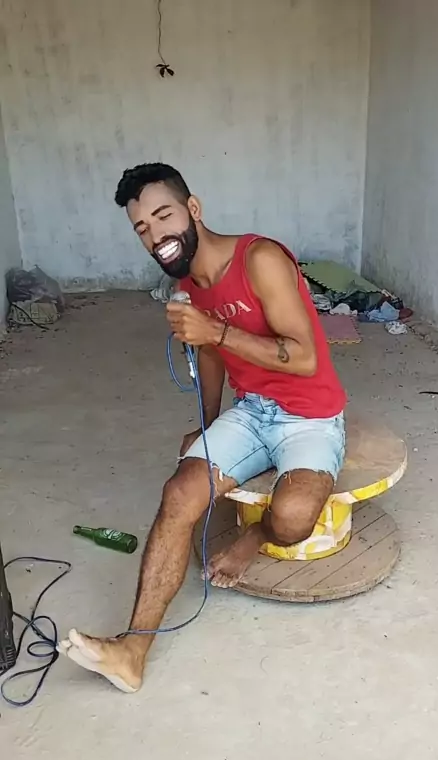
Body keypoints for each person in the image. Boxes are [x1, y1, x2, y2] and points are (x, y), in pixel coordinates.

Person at [58, 163, 347, 692]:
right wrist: (210, 427)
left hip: (311, 415)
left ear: (193, 209)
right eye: (142, 228)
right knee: (179, 493)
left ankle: (255, 535)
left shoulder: (260, 259)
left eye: (163, 215)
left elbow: (305, 357)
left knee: (292, 518)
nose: (156, 235)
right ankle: (132, 651)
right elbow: (211, 354)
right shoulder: (187, 284)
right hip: (252, 411)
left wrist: (215, 330)